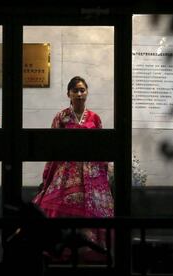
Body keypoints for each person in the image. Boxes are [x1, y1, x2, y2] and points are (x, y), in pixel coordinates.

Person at [32, 76, 114, 262]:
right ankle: (61, 250)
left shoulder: (95, 118)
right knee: (56, 205)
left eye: (82, 90)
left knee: (93, 208)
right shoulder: (61, 117)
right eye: (75, 90)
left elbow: (101, 147)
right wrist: (47, 176)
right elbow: (52, 148)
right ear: (68, 93)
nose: (79, 94)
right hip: (66, 171)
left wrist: (105, 169)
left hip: (91, 172)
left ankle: (92, 252)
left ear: (87, 93)